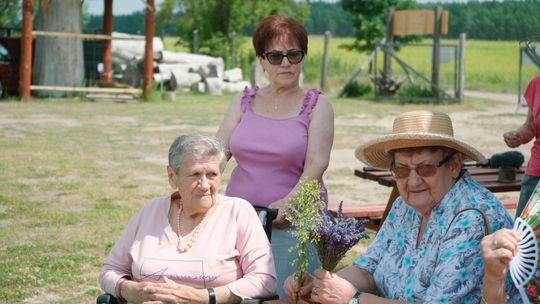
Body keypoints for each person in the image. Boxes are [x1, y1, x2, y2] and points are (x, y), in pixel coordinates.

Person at [284, 110, 514, 303]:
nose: (413, 181)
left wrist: (353, 299)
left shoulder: (471, 218)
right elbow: (367, 268)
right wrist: (322, 286)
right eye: (402, 170)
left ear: (453, 166)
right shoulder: (404, 206)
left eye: (425, 168)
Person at [216, 15, 334, 298]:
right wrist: (199, 180)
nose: (286, 63)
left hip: (292, 224)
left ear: (303, 58)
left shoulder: (317, 104)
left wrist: (289, 204)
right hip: (239, 220)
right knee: (235, 294)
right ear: (262, 60)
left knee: (284, 296)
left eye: (294, 55)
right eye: (276, 56)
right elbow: (219, 149)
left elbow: (317, 164)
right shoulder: (243, 100)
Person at [99, 134, 277, 303]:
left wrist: (204, 297)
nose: (205, 185)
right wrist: (131, 291)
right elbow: (110, 271)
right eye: (195, 174)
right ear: (172, 176)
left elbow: (264, 280)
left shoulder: (237, 211)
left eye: (212, 175)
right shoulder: (151, 211)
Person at [504, 75, 540, 217]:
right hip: (536, 174)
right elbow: (531, 126)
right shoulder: (537, 83)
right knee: (523, 235)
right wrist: (518, 136)